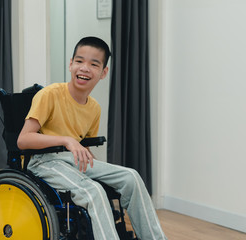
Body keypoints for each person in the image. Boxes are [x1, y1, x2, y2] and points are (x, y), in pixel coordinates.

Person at [17, 36, 167, 240]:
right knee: (93, 191)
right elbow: (23, 140)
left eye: (93, 64)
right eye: (79, 61)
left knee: (131, 177)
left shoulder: (94, 107)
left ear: (103, 72)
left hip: (72, 161)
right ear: (71, 64)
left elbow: (84, 147)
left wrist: (97, 168)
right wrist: (66, 140)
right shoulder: (50, 94)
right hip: (43, 161)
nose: (84, 68)